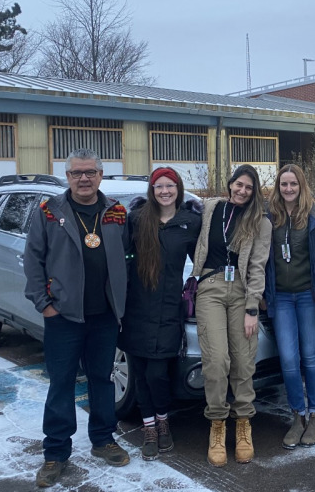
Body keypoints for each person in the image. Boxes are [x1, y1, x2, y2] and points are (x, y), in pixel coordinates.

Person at [24, 149, 130, 488]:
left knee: (102, 379)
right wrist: (45, 304)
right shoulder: (49, 212)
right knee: (62, 384)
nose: (83, 178)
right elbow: (32, 260)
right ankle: (55, 453)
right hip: (64, 316)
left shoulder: (115, 212)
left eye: (90, 172)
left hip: (104, 316)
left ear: (101, 175)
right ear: (66, 177)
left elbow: (128, 256)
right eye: (76, 173)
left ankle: (103, 439)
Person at [190, 164, 272, 467]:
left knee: (242, 361)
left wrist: (252, 308)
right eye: (239, 184)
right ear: (230, 184)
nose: (242, 191)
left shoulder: (260, 222)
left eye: (249, 188)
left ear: (254, 193)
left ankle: (243, 425)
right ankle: (216, 424)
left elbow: (257, 267)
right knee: (216, 361)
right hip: (210, 287)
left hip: (241, 291)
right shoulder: (210, 208)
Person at [118, 167, 201, 461]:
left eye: (170, 186)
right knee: (140, 373)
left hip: (168, 309)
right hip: (136, 307)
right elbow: (122, 259)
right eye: (158, 186)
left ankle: (163, 419)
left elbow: (202, 261)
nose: (164, 191)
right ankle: (150, 428)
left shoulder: (190, 222)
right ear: (152, 191)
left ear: (178, 188)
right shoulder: (138, 219)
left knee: (158, 374)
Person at [265, 164, 315, 449]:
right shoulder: (270, 218)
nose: (289, 189)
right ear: (278, 187)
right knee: (288, 360)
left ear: (301, 185)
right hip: (281, 298)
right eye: (284, 184)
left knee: (310, 358)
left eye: (293, 183)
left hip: (308, 297)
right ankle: (297, 415)